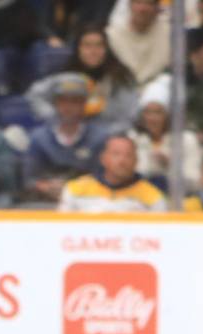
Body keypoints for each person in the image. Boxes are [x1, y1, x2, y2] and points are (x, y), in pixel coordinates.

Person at [29, 25, 139, 127]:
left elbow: (130, 117)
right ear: (78, 49)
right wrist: (56, 119)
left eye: (99, 45)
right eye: (87, 45)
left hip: (109, 138)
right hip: (70, 137)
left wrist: (106, 135)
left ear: (107, 49)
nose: (93, 51)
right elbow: (35, 95)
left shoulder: (121, 77)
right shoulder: (66, 76)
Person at [25, 73, 107, 203]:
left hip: (86, 204)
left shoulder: (99, 138)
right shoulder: (39, 138)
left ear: (84, 104)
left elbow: (105, 179)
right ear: (55, 104)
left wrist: (73, 189)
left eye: (75, 101)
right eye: (63, 101)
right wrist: (45, 187)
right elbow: (28, 179)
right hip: (45, 205)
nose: (68, 107)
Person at [58, 131, 165, 210]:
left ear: (136, 161)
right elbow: (61, 230)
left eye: (128, 155)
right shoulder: (75, 189)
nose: (122, 161)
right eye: (116, 154)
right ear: (103, 159)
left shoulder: (153, 197)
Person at [131, 75, 200, 191]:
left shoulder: (187, 140)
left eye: (158, 112)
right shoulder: (133, 139)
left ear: (168, 115)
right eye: (147, 112)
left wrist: (170, 166)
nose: (152, 118)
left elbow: (195, 184)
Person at [107, 0, 170, 85]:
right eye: (138, 2)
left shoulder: (170, 34)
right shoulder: (112, 35)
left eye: (149, 4)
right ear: (130, 5)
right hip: (122, 88)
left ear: (157, 7)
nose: (143, 9)